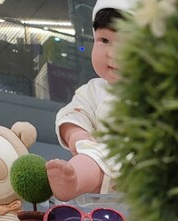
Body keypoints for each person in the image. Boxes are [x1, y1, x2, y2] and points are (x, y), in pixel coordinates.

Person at [46, 0, 135, 202]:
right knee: (91, 156)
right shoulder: (95, 90)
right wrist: (76, 134)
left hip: (146, 172)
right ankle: (73, 180)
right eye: (104, 40)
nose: (113, 53)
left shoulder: (160, 94)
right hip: (103, 171)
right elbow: (73, 114)